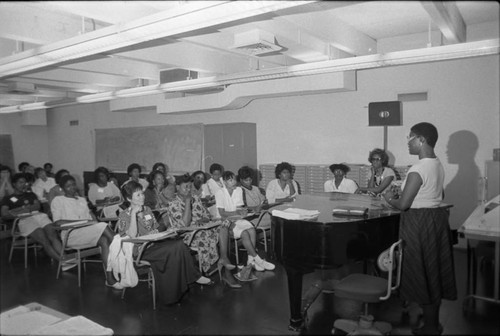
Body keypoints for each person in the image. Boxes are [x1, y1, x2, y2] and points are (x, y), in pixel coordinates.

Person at [382, 122, 457, 335]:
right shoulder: (436, 164)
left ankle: (431, 328)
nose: (408, 142)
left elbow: (403, 205)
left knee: (421, 271)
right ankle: (433, 324)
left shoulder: (418, 168)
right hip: (435, 220)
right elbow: (438, 195)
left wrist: (389, 198)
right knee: (432, 271)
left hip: (418, 223)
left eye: (410, 137)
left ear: (421, 140)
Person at [118, 181, 212, 306]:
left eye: (142, 193)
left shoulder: (147, 210)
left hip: (154, 244)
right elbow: (132, 236)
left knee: (179, 244)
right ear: (129, 199)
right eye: (138, 195)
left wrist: (167, 231)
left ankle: (176, 293)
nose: (143, 197)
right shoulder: (124, 215)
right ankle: (193, 276)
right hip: (140, 250)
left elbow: (155, 229)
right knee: (173, 250)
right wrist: (134, 214)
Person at [51, 175, 121, 287]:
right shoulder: (58, 200)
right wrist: (83, 221)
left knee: (104, 240)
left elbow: (92, 218)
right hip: (70, 235)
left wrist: (91, 220)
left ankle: (109, 278)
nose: (72, 187)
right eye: (68, 186)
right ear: (62, 188)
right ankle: (125, 254)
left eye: (73, 184)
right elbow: (57, 222)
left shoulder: (81, 200)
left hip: (86, 231)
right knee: (103, 225)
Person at [215, 171, 275, 273]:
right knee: (245, 233)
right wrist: (236, 212)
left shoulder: (238, 190)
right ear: (224, 182)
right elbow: (222, 213)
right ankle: (258, 260)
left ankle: (251, 260)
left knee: (251, 229)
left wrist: (243, 211)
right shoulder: (219, 193)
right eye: (230, 180)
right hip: (225, 221)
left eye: (234, 179)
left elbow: (239, 208)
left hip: (237, 219)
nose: (234, 182)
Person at [1, 173, 63, 262]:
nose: (24, 185)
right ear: (14, 184)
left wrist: (17, 210)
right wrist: (24, 209)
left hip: (38, 215)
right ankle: (62, 261)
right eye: (20, 182)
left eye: (25, 182)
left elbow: (37, 206)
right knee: (44, 239)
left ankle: (65, 257)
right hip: (24, 219)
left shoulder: (31, 195)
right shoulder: (7, 198)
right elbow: (4, 214)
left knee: (53, 236)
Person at [166, 173, 220, 275]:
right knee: (204, 235)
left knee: (223, 227)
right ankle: (208, 267)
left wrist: (201, 221)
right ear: (177, 187)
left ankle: (222, 260)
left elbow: (207, 216)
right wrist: (187, 202)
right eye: (185, 187)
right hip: (185, 234)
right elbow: (185, 224)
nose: (188, 189)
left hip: (202, 228)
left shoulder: (195, 198)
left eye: (190, 187)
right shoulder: (173, 204)